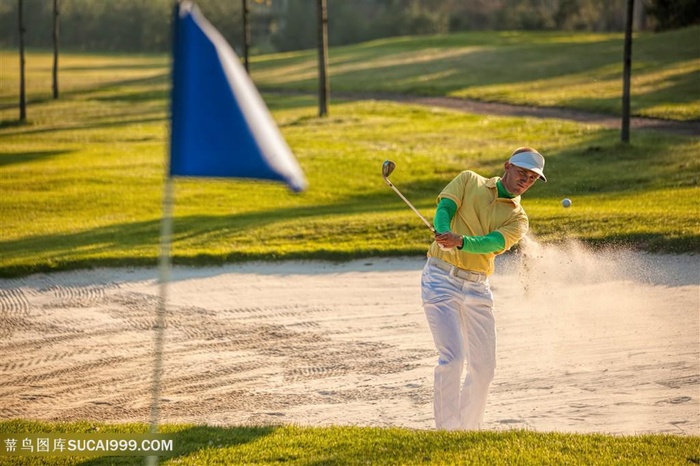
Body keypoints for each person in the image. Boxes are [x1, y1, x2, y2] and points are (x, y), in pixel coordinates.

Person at [421, 147, 546, 430]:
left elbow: (492, 242)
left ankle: (468, 431)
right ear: (507, 166)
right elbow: (445, 208)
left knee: (484, 370)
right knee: (453, 358)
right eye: (522, 172)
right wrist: (443, 233)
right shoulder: (469, 180)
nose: (526, 180)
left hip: (478, 287)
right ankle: (447, 432)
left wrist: (461, 241)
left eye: (532, 177)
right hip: (441, 278)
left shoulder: (519, 219)